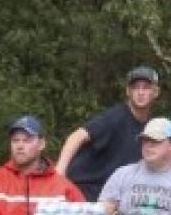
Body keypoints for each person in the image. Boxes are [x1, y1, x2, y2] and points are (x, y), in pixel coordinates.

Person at [56, 65, 162, 202]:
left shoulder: (149, 128)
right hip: (84, 191)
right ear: (128, 92)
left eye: (146, 87)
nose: (140, 92)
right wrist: (59, 172)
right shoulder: (115, 117)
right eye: (135, 87)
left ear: (156, 92)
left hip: (113, 197)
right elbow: (77, 136)